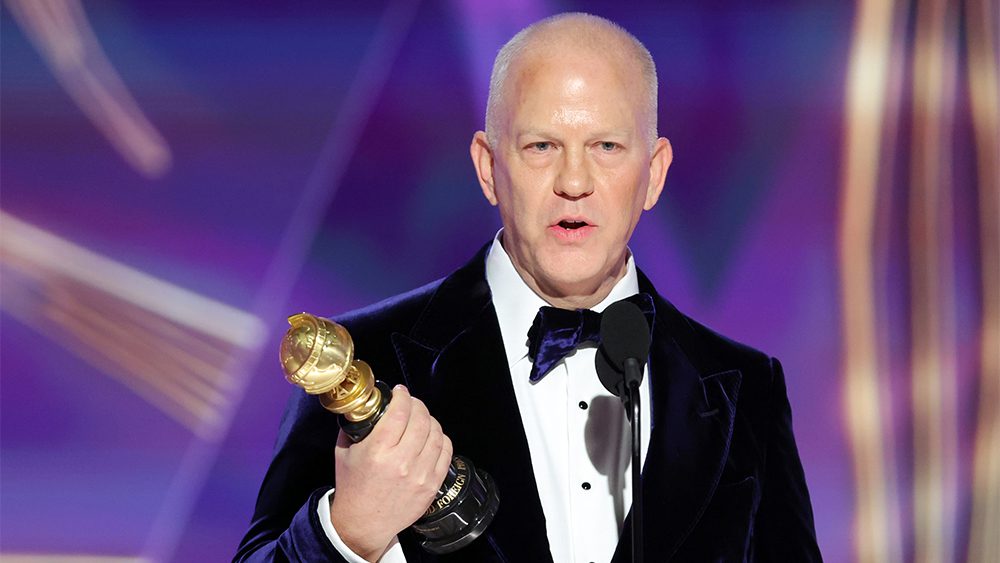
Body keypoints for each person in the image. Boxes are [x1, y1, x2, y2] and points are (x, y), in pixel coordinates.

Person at [235, 12, 821, 563]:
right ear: (489, 168)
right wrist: (349, 532)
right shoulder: (363, 359)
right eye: (542, 146)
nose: (574, 181)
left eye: (607, 147)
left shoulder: (747, 388)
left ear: (655, 172)